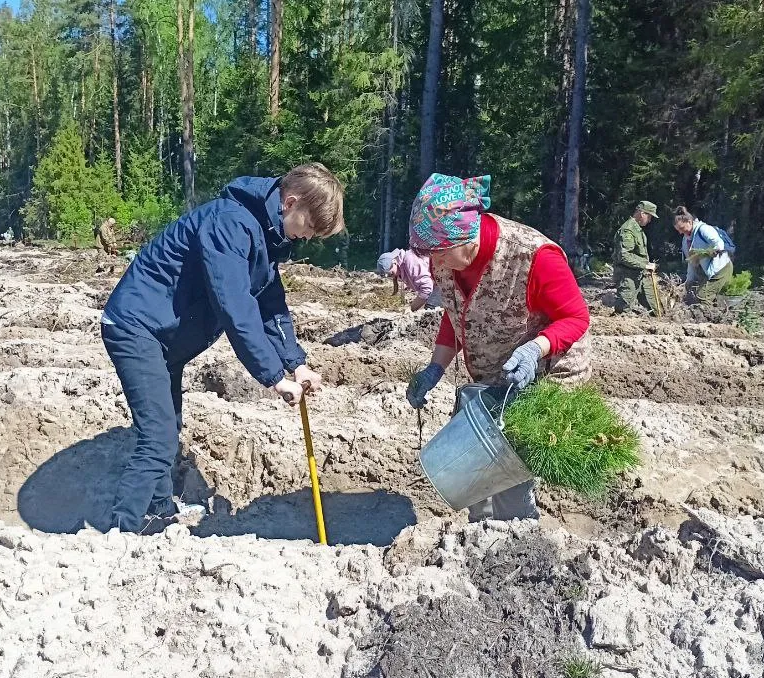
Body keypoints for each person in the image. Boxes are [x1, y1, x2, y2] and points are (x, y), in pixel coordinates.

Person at [100, 163, 346, 534]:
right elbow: (235, 306)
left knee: (168, 427)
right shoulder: (230, 223)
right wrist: (274, 377)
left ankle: (159, 511)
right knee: (159, 437)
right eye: (308, 227)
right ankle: (121, 531)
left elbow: (269, 302)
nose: (307, 238)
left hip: (165, 336)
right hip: (137, 327)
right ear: (289, 203)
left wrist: (296, 364)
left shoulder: (265, 234)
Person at [404, 173, 592, 522]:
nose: (435, 264)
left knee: (508, 464)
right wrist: (436, 367)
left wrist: (536, 349)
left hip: (546, 367)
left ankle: (517, 538)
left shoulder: (533, 256)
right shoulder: (450, 258)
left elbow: (576, 318)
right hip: (495, 368)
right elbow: (456, 313)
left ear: (467, 238)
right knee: (474, 458)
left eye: (439, 254)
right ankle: (479, 529)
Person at [673, 206, 733, 304]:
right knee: (697, 297)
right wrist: (689, 280)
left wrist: (706, 253)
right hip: (708, 272)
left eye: (682, 228)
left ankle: (708, 317)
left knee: (703, 298)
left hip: (720, 268)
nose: (680, 232)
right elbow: (691, 262)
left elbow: (719, 245)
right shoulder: (685, 240)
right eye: (678, 230)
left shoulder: (704, 230)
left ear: (689, 222)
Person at [612, 201, 661, 315]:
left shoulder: (637, 229)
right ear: (641, 213)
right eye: (649, 216)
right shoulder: (628, 230)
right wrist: (645, 265)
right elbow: (624, 256)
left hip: (641, 275)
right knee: (623, 310)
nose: (649, 220)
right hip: (628, 277)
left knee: (656, 309)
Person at [376, 248, 440, 311]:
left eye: (390, 273)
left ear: (394, 262)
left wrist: (413, 308)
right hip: (436, 283)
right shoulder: (400, 266)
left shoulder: (410, 262)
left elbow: (426, 289)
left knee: (430, 307)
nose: (390, 276)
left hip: (442, 280)